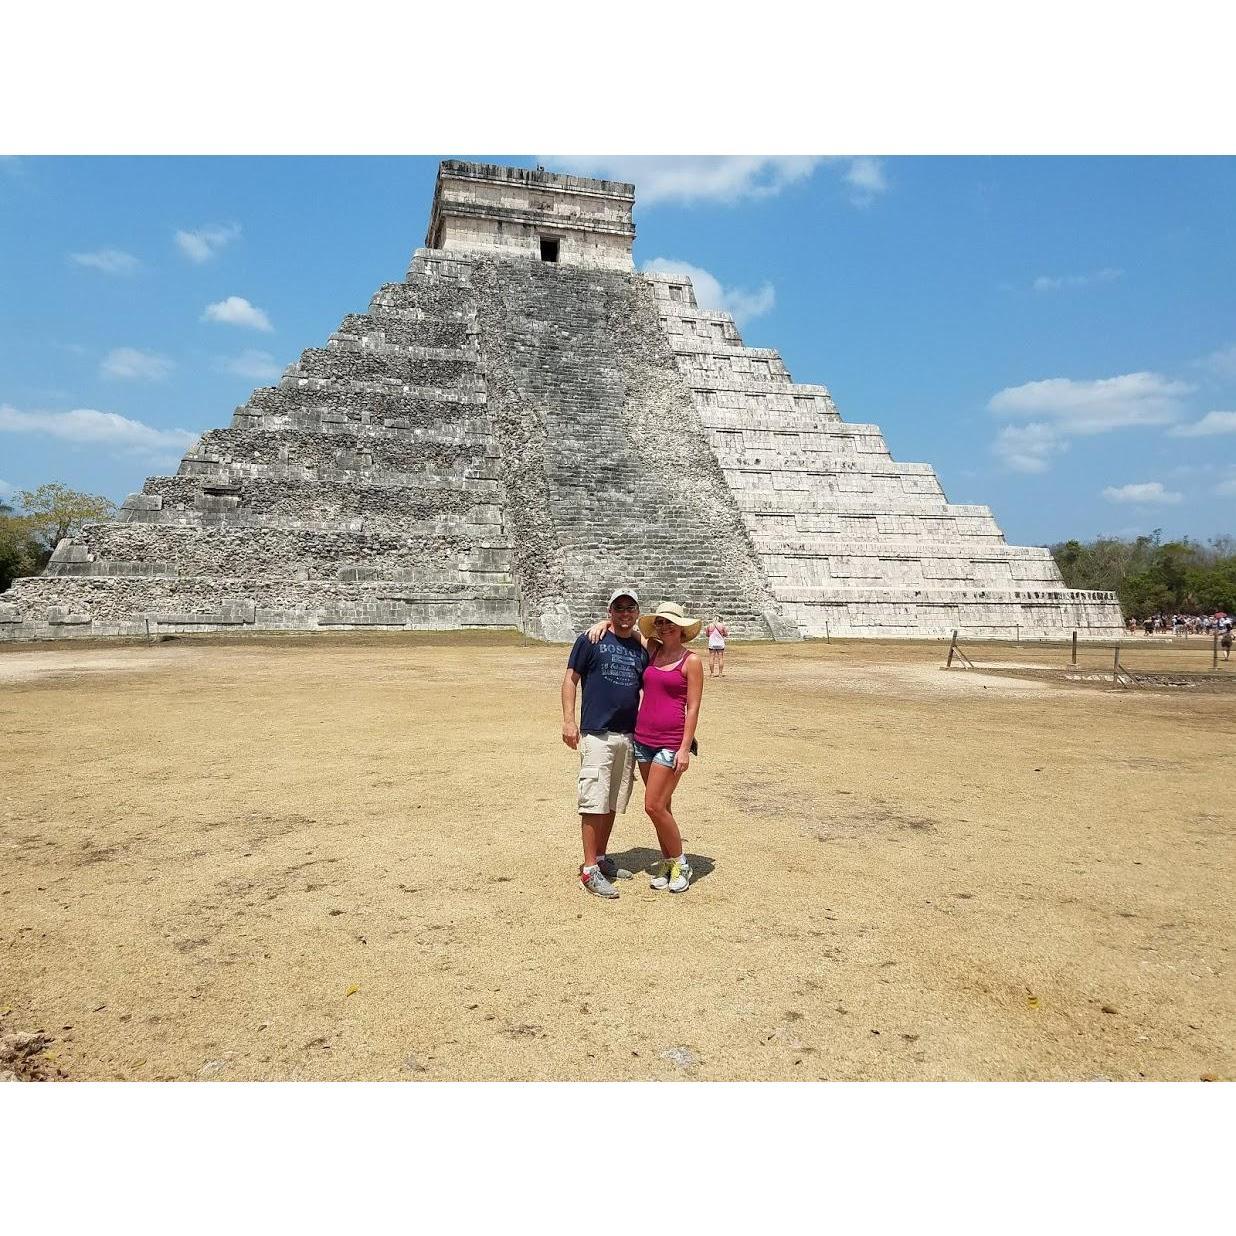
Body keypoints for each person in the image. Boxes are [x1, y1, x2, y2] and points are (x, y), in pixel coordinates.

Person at [561, 588, 649, 899]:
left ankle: (600, 857)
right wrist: (569, 721)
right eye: (618, 608)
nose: (625, 613)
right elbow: (571, 678)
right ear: (609, 611)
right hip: (597, 732)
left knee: (612, 801)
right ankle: (589, 870)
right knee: (593, 799)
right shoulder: (591, 639)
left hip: (627, 734)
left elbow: (662, 651)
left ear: (637, 613)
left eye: (630, 608)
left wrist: (637, 635)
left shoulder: (642, 649)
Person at [631, 602, 705, 894]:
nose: (664, 627)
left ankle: (681, 862)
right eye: (660, 622)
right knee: (664, 805)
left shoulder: (692, 661)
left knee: (653, 805)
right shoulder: (653, 650)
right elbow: (625, 628)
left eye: (670, 622)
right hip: (643, 739)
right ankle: (668, 863)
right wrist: (601, 625)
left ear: (682, 628)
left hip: (671, 742)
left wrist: (685, 748)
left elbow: (694, 706)